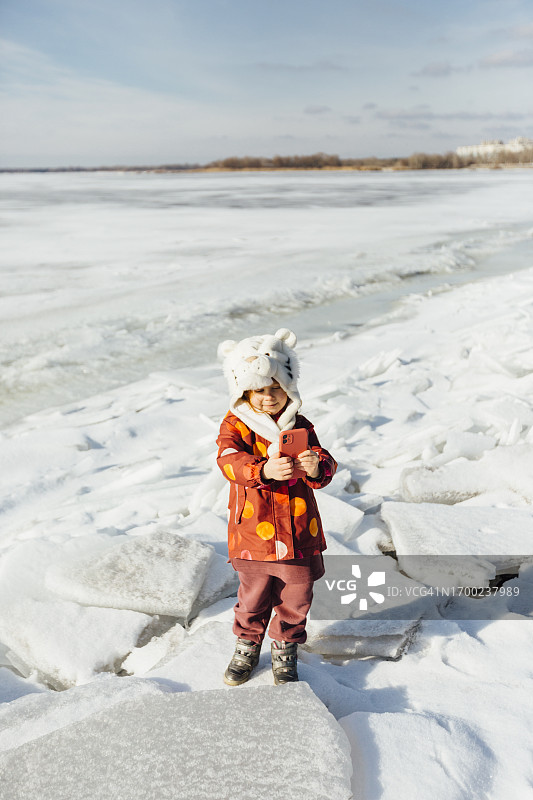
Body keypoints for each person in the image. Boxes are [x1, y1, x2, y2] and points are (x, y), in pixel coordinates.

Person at [216, 328, 337, 686]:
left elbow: (326, 462)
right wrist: (262, 469)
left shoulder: (300, 424)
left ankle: (285, 645)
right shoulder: (235, 425)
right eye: (259, 391)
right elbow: (227, 460)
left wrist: (317, 465)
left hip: (299, 532)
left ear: (289, 387)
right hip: (253, 533)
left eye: (275, 389)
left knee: (297, 596)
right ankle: (247, 643)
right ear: (243, 391)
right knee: (252, 596)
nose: (268, 398)